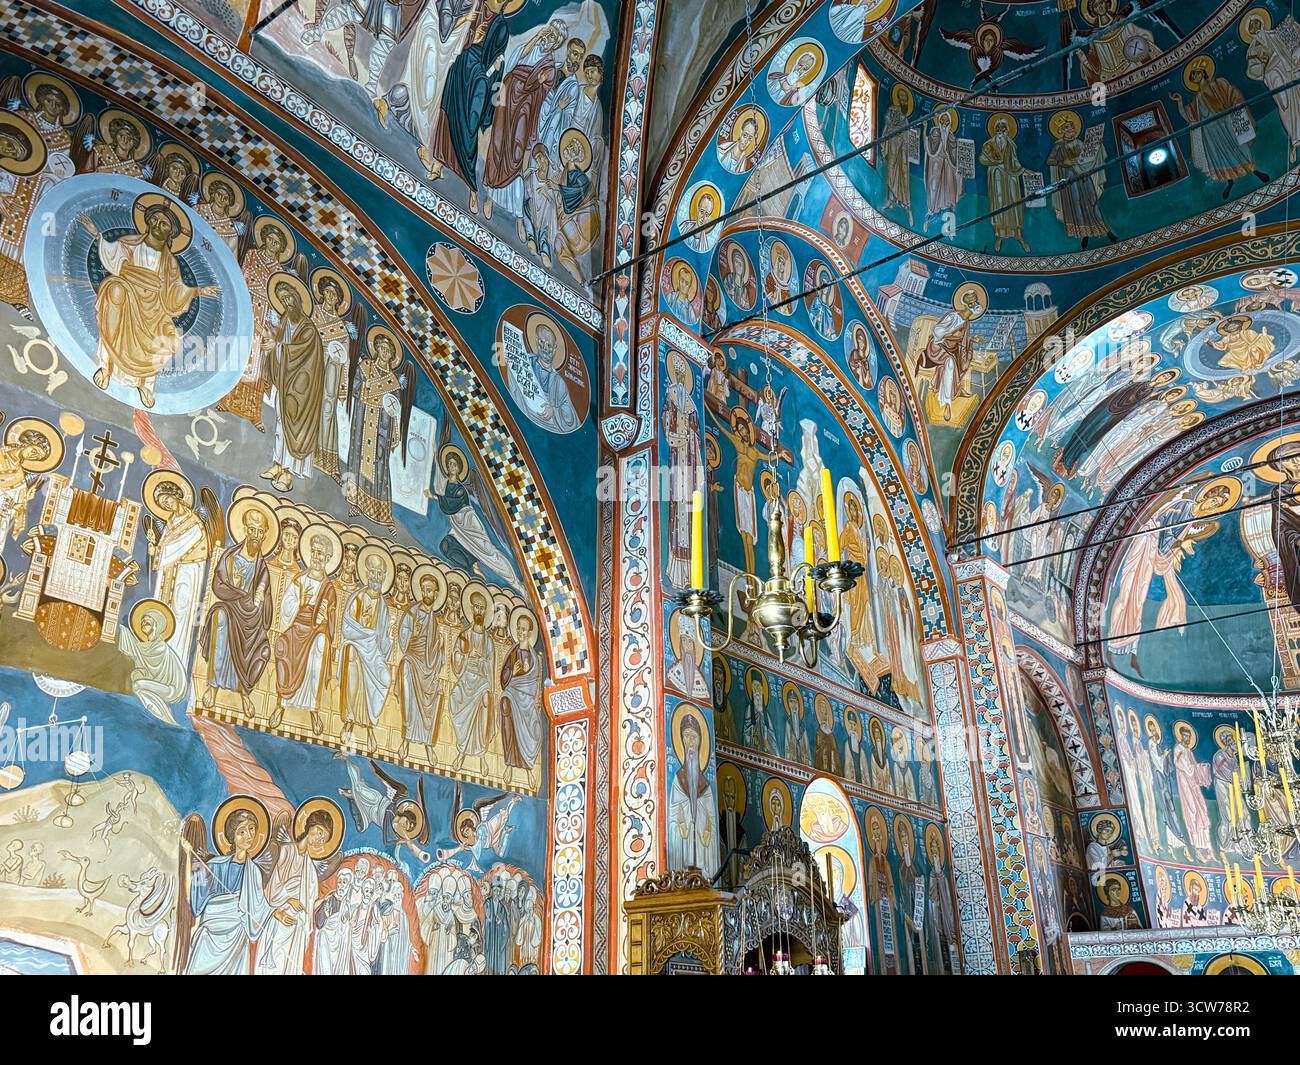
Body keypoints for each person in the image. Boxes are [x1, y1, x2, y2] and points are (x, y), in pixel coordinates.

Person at [201, 506, 275, 717]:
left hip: (252, 620)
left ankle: (244, 693)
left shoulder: (262, 567)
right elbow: (218, 585)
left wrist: (259, 597)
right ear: (244, 529)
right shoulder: (230, 557)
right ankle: (213, 686)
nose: (256, 535)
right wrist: (239, 592)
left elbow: (263, 593)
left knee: (262, 648)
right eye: (252, 529)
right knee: (219, 617)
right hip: (230, 607)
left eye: (261, 532)